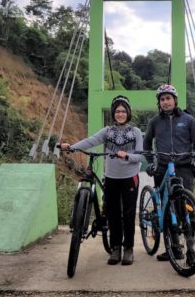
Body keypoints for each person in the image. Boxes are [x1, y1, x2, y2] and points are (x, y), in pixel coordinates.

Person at [60, 95, 143, 266]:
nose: (120, 114)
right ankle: (115, 248)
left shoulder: (135, 132)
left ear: (128, 113)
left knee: (128, 214)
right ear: (113, 113)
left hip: (130, 178)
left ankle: (128, 248)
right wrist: (72, 147)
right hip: (111, 178)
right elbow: (91, 141)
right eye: (117, 111)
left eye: (123, 111)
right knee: (113, 214)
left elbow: (139, 156)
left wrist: (126, 155)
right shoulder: (107, 131)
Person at [143, 84, 195, 262]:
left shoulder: (188, 119)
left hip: (183, 167)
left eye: (168, 98)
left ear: (175, 100)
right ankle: (174, 247)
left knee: (187, 208)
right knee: (167, 207)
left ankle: (191, 249)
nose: (165, 102)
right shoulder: (154, 122)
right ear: (159, 103)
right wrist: (150, 163)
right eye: (162, 99)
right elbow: (146, 144)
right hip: (163, 168)